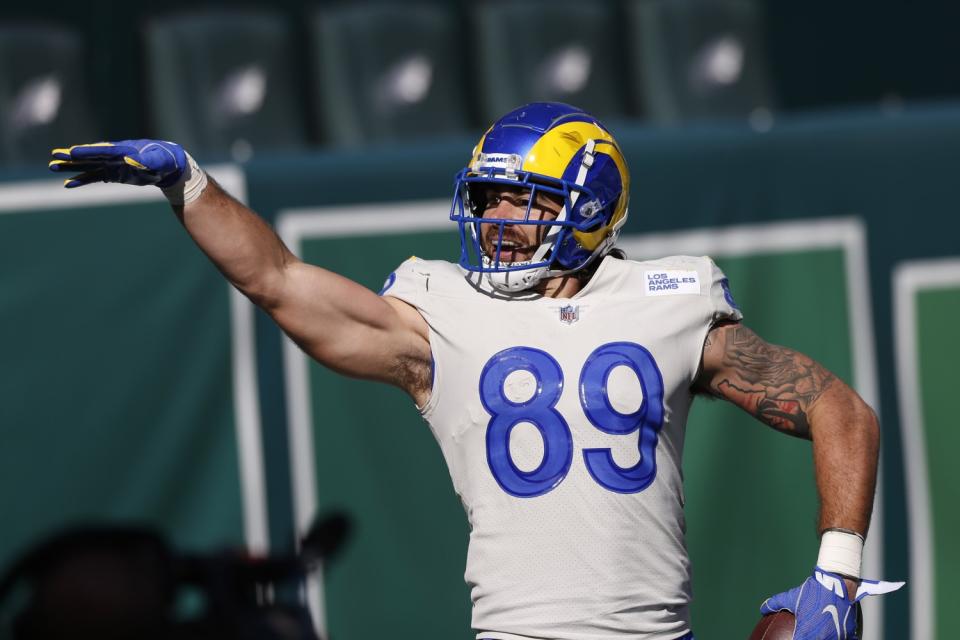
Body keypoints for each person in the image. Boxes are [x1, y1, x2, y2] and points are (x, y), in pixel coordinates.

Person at [49, 102, 900, 640]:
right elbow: (279, 282)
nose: (493, 218)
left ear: (589, 207)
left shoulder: (668, 299)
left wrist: (836, 573)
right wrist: (190, 187)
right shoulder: (442, 311)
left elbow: (840, 409)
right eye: (486, 197)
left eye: (517, 198)